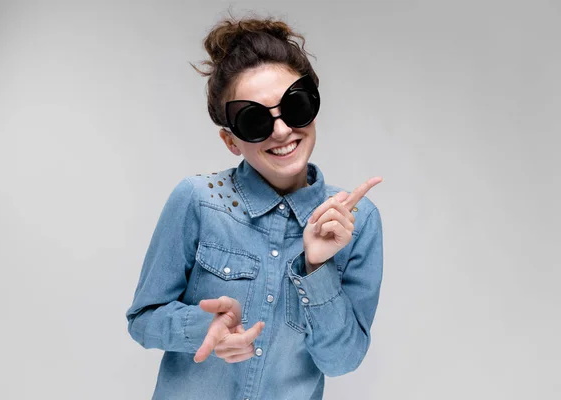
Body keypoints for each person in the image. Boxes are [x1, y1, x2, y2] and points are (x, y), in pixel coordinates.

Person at [126, 14, 384, 400]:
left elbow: (342, 360)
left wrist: (316, 268)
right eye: (254, 120)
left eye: (294, 107)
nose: (281, 131)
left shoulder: (356, 221)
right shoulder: (198, 200)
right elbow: (143, 320)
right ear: (231, 141)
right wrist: (204, 328)